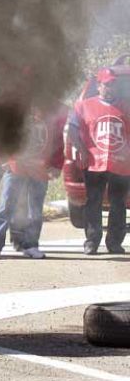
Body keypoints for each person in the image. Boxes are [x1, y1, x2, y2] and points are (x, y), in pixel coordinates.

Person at [0, 104, 66, 259]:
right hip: (16, 166)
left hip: (40, 169)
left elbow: (58, 141)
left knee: (35, 211)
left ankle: (31, 245)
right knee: (6, 205)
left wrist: (57, 165)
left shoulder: (52, 113)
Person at [69, 67, 130, 255]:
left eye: (113, 84)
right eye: (107, 84)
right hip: (94, 163)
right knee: (93, 201)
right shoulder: (83, 106)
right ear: (99, 85)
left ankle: (114, 242)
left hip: (121, 164)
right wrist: (81, 150)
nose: (110, 88)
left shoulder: (126, 106)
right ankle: (92, 241)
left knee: (118, 203)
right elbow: (72, 130)